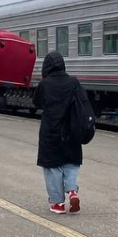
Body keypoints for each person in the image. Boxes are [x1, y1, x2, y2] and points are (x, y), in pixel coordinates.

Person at [34, 51, 84, 214]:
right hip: (71, 130)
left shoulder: (45, 84)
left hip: (51, 130)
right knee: (71, 162)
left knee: (53, 167)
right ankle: (72, 191)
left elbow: (37, 102)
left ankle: (58, 204)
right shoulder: (74, 82)